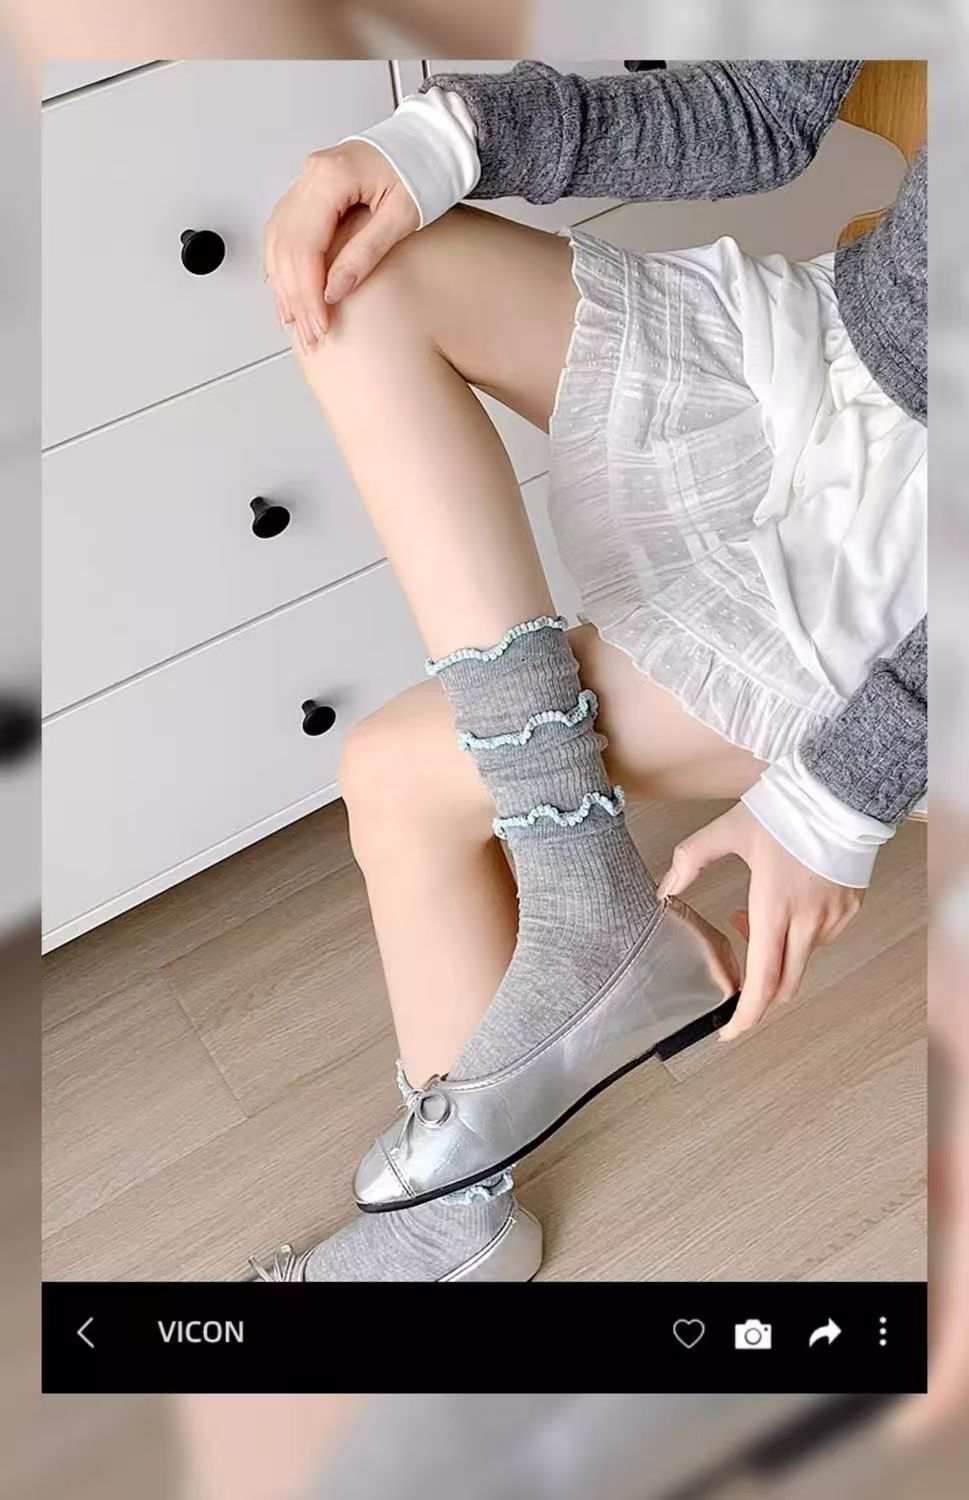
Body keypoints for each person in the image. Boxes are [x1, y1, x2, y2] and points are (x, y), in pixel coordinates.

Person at [251, 60, 926, 1281]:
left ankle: (449, 1231)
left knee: (397, 776)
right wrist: (444, 138)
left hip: (923, 562)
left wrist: (846, 794)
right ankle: (581, 885)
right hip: (834, 354)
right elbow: (764, 110)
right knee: (366, 268)